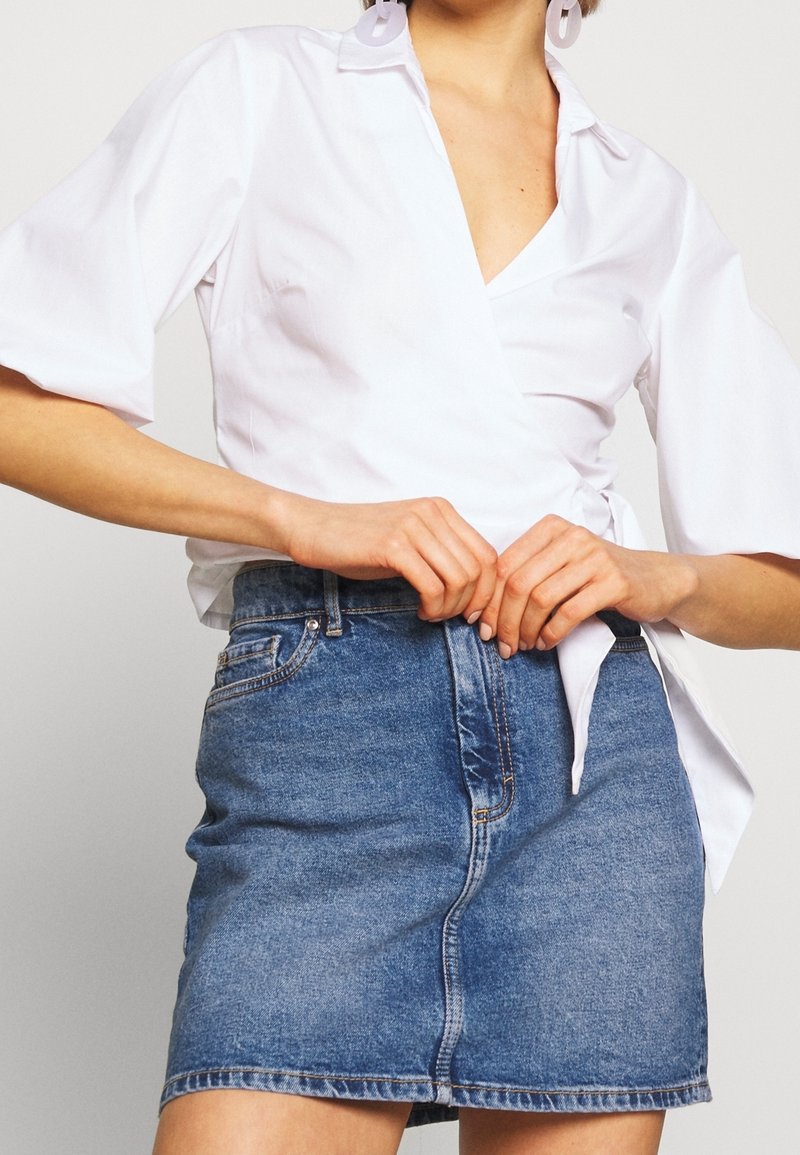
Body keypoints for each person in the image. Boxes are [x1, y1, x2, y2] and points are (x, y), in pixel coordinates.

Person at [1, 1, 799, 1152]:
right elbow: (18, 405)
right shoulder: (263, 88)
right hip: (328, 731)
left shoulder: (644, 196)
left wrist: (651, 577)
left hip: (591, 771)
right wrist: (295, 517)